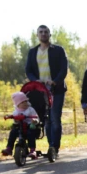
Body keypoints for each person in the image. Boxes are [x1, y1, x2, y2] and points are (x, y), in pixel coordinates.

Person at [25, 25, 68, 160]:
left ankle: (55, 147)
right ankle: (51, 147)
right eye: (41, 32)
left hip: (56, 89)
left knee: (55, 118)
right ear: (37, 35)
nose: (43, 34)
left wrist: (55, 81)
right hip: (39, 90)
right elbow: (28, 70)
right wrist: (34, 80)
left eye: (46, 32)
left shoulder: (58, 50)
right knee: (46, 119)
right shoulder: (32, 52)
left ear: (50, 34)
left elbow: (63, 68)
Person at [1, 92, 39, 158]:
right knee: (13, 132)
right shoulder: (16, 111)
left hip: (30, 126)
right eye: (22, 102)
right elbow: (15, 120)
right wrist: (14, 119)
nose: (25, 103)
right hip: (20, 127)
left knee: (31, 133)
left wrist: (35, 120)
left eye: (26, 101)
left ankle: (32, 150)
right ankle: (9, 148)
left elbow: (36, 117)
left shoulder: (30, 110)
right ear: (18, 104)